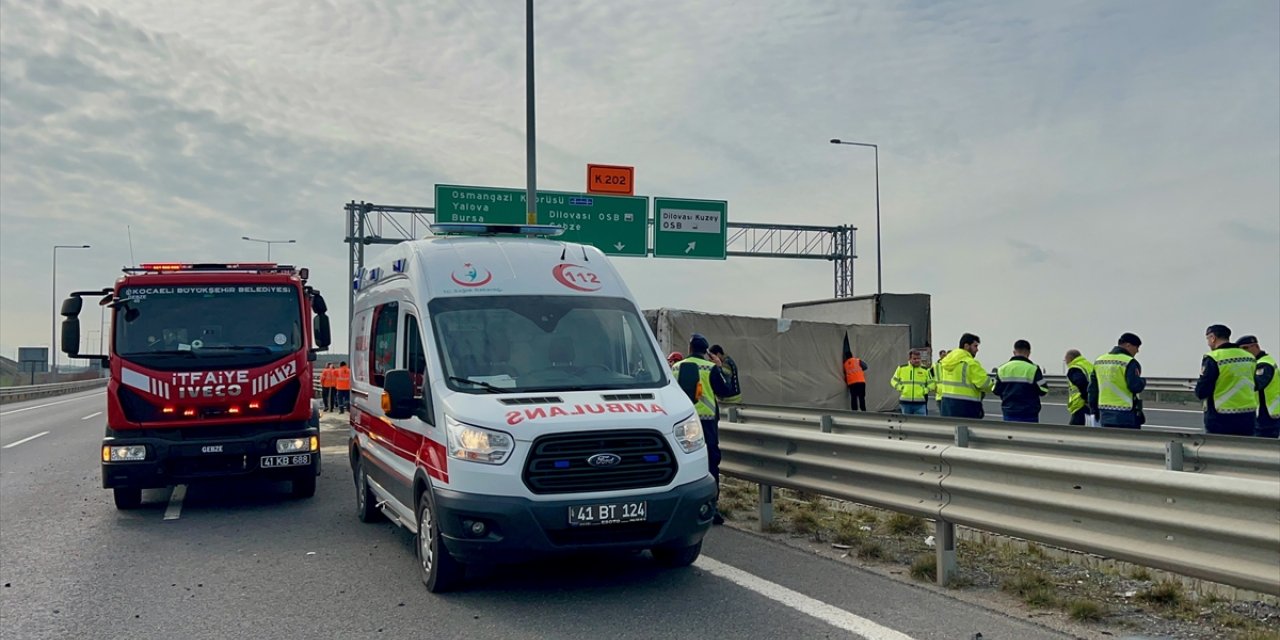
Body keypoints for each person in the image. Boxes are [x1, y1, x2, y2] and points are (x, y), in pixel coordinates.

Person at [673, 334, 732, 525]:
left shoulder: (676, 367)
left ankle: (680, 507)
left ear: (689, 348)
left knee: (683, 462)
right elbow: (725, 391)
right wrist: (720, 367)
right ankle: (711, 507)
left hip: (682, 422)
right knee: (710, 463)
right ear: (705, 351)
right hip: (706, 423)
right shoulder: (710, 368)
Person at [1195, 325, 1259, 436]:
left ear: (1213, 338)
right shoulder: (1249, 357)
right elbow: (1255, 383)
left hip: (1221, 417)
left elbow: (1203, 390)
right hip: (1248, 415)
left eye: (1208, 339)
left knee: (1219, 450)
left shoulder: (1213, 357)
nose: (1208, 343)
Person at [1088, 333, 1146, 429]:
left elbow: (1092, 389)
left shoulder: (1099, 361)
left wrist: (1094, 409)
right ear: (1128, 345)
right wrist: (1143, 381)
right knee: (1128, 441)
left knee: (1110, 441)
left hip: (1104, 411)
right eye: (1136, 347)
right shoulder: (1129, 362)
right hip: (1125, 412)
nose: (1137, 351)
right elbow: (1135, 386)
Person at [937, 334, 994, 418]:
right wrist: (995, 385)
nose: (977, 350)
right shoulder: (970, 363)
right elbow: (985, 384)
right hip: (967, 406)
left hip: (947, 405)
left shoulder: (946, 362)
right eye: (975, 346)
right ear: (966, 346)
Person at [994, 340, 1049, 423]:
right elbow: (1043, 390)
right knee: (1028, 434)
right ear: (1029, 353)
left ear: (1014, 352)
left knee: (1010, 434)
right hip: (1029, 412)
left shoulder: (1002, 369)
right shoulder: (1033, 369)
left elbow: (996, 390)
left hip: (1009, 411)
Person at [1238, 335, 1279, 438]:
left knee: (1263, 445)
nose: (1242, 352)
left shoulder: (1264, 364)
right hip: (1266, 412)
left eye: (1245, 348)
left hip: (1266, 413)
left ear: (1255, 346)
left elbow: (1256, 385)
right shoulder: (1261, 362)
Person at [891, 350, 932, 416]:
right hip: (905, 402)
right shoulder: (901, 368)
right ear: (909, 359)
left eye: (919, 358)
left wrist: (925, 390)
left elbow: (932, 382)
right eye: (914, 359)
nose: (917, 360)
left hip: (920, 403)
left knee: (921, 424)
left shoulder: (926, 370)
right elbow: (893, 380)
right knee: (906, 424)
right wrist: (900, 388)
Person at [1063, 349, 1094, 425]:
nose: (1066, 362)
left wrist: (1087, 400)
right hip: (1092, 403)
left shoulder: (1074, 368)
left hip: (1080, 404)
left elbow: (1081, 383)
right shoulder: (1089, 365)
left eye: (1065, 360)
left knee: (1073, 433)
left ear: (1070, 358)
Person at [931, 349, 948, 414]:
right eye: (943, 355)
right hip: (939, 393)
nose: (944, 357)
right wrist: (933, 387)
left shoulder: (948, 364)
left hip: (947, 391)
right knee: (942, 413)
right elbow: (931, 376)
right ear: (940, 355)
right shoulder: (935, 365)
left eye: (945, 355)